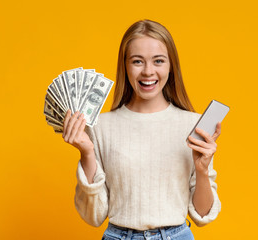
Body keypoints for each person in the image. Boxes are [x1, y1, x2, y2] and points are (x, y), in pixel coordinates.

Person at [62, 19, 222, 240]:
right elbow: (94, 216)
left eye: (158, 61)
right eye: (137, 61)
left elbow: (203, 215)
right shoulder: (100, 127)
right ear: (125, 66)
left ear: (171, 66)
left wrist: (202, 170)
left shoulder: (193, 125)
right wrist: (86, 152)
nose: (148, 71)